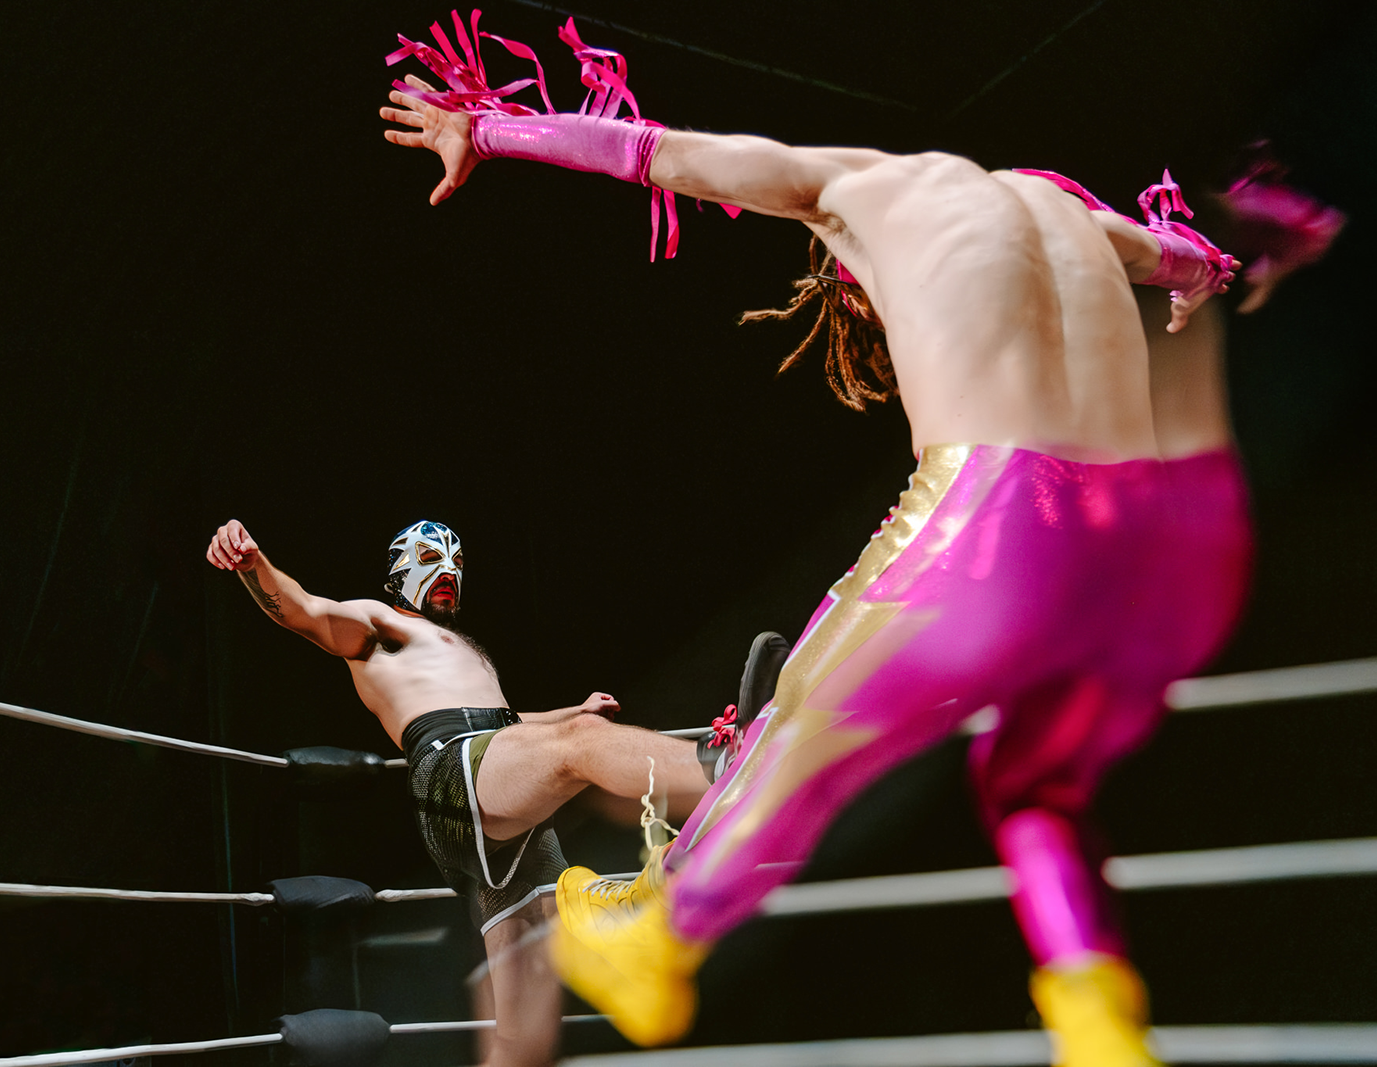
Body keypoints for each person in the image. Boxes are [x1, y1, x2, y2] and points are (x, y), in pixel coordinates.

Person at [380, 68, 1253, 1067]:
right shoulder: (1078, 216)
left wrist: (486, 128)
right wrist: (1192, 274)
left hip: (1005, 513)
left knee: (796, 715)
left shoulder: (851, 190)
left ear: (840, 261)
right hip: (1145, 550)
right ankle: (1102, 1028)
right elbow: (1185, 258)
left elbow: (648, 151)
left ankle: (655, 936)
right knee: (1034, 785)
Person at [203, 517, 708, 1065]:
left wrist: (573, 712)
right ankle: (725, 766)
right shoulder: (380, 624)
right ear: (401, 569)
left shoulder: (459, 647)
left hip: (491, 792)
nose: (447, 570)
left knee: (523, 1043)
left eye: (457, 563)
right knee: (584, 744)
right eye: (430, 558)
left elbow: (508, 725)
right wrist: (254, 566)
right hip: (453, 776)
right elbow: (305, 610)